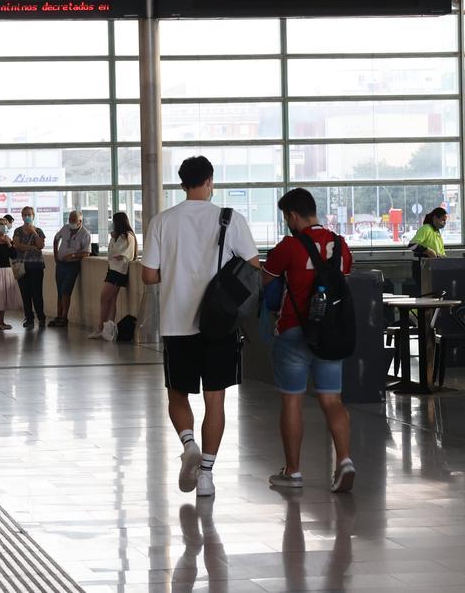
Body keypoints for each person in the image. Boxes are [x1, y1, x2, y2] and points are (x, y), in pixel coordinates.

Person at [142, 156, 260, 498]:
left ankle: (188, 443)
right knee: (215, 400)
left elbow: (149, 275)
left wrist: (178, 275)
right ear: (210, 181)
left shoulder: (162, 221)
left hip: (177, 322)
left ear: (182, 184)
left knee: (177, 394)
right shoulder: (229, 218)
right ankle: (206, 474)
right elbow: (252, 267)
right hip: (219, 324)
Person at [262, 188, 356, 493]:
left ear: (291, 216)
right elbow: (344, 276)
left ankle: (293, 472)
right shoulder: (340, 245)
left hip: (293, 331)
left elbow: (267, 280)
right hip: (330, 333)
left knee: (292, 399)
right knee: (332, 400)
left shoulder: (288, 246)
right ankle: (344, 461)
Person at [90, 212, 136, 339]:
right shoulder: (117, 236)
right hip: (112, 269)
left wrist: (115, 240)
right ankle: (107, 330)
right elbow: (111, 254)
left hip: (119, 272)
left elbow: (121, 254)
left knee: (104, 297)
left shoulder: (127, 236)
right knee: (111, 300)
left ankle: (101, 327)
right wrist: (113, 239)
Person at [50, 210, 90, 327]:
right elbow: (56, 238)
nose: (71, 222)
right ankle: (58, 316)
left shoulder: (85, 233)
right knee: (59, 291)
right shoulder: (65, 228)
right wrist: (56, 253)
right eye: (70, 220)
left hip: (72, 265)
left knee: (66, 291)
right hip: (61, 264)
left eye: (73, 220)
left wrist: (73, 255)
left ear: (80, 221)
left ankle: (64, 317)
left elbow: (86, 252)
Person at [12, 206, 47, 328]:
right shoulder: (17, 231)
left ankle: (41, 317)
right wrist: (32, 248)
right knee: (25, 293)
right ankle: (29, 318)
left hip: (36, 266)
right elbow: (17, 245)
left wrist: (33, 232)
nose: (27, 216)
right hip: (22, 266)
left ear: (33, 216)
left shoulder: (39, 231)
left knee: (37, 292)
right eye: (25, 214)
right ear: (22, 216)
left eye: (29, 214)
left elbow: (40, 245)